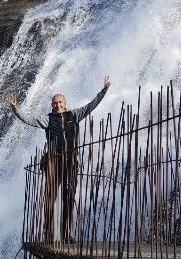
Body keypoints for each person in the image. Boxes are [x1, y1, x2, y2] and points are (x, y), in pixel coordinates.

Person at [10, 75, 111, 243]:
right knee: (49, 197)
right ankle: (48, 235)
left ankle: (66, 235)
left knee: (68, 197)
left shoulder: (75, 115)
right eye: (55, 103)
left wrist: (103, 91)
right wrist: (15, 109)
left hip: (71, 161)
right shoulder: (47, 120)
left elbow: (90, 106)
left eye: (60, 102)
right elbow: (29, 119)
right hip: (53, 161)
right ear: (52, 105)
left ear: (65, 103)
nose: (58, 105)